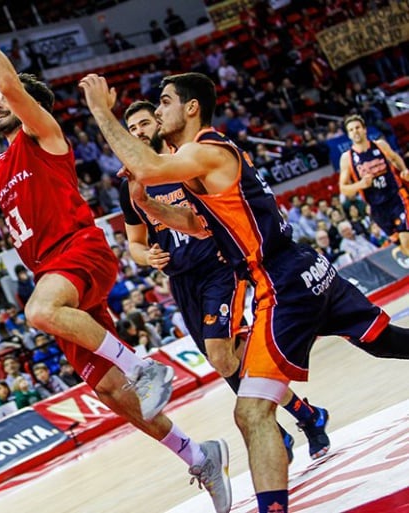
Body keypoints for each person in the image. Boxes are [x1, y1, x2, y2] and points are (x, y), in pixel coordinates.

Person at [0, 4, 230, 510]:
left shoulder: (44, 136)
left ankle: (145, 366)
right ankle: (199, 454)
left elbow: (10, 85)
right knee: (110, 394)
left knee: (37, 312)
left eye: (3, 99)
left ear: (23, 105)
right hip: (59, 279)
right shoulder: (0, 167)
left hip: (79, 252)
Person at [80, 70, 409, 513]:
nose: (157, 112)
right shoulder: (201, 159)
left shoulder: (207, 149)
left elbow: (148, 165)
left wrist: (101, 110)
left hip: (280, 281)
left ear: (191, 107)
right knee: (383, 342)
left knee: (251, 411)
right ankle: (308, 419)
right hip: (305, 267)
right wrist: (147, 204)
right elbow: (196, 225)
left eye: (164, 102)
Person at [119, 99, 331, 462]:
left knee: (222, 353)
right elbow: (135, 244)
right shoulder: (129, 185)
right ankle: (306, 415)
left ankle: (274, 430)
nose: (139, 132)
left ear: (158, 124)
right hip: (181, 281)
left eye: (144, 124)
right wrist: (147, 258)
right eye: (132, 128)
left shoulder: (183, 161)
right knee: (230, 360)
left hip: (218, 268)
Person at [338, 114, 409, 268]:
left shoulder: (380, 145)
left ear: (364, 129)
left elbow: (395, 157)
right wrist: (360, 185)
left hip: (396, 198)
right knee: (401, 245)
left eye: (357, 128)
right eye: (351, 130)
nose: (355, 132)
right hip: (377, 208)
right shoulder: (347, 158)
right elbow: (343, 188)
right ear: (348, 135)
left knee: (406, 239)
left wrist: (403, 170)